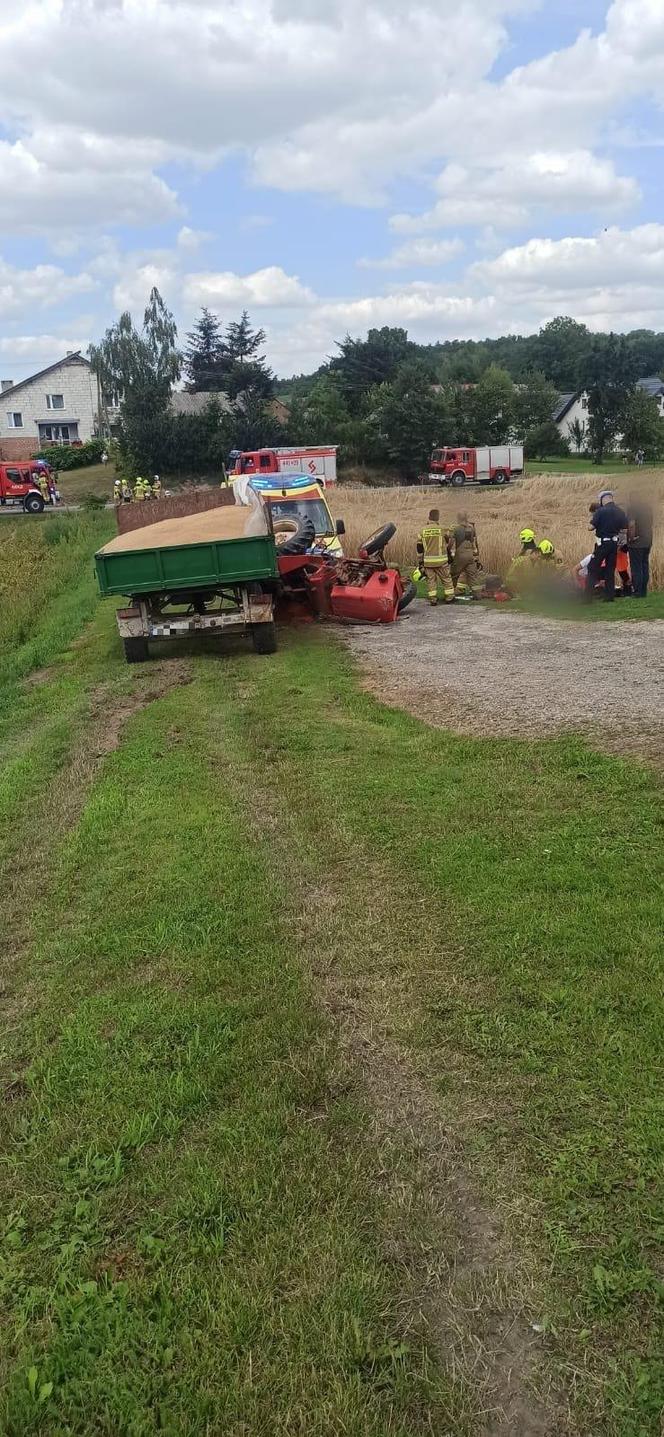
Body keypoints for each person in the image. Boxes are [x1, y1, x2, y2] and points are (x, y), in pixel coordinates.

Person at [585, 490, 628, 602]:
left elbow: (590, 527)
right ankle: (609, 597)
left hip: (603, 543)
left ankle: (587, 598)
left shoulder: (601, 511)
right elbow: (624, 527)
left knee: (592, 567)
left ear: (603, 499)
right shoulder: (620, 511)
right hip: (614, 544)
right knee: (610, 569)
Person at [416, 508, 454, 606]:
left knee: (431, 581)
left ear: (429, 517)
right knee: (446, 579)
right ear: (438, 517)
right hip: (441, 561)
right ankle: (449, 598)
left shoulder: (422, 531)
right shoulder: (443, 529)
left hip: (428, 561)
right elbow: (451, 537)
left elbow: (419, 548)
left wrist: (420, 562)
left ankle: (433, 599)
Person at [450, 511, 483, 599]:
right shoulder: (471, 528)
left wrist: (448, 550)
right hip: (470, 555)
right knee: (473, 576)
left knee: (454, 574)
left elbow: (451, 543)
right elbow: (474, 542)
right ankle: (477, 595)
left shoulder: (456, 529)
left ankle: (449, 594)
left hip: (460, 554)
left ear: (458, 519)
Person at [627, 489, 653, 598]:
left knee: (636, 567)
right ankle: (643, 591)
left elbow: (631, 524)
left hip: (637, 542)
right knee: (644, 565)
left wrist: (631, 538)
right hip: (648, 540)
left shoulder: (632, 508)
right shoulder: (648, 507)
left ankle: (637, 592)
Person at [505, 528, 538, 593]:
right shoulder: (531, 552)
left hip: (516, 582)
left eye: (522, 539)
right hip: (517, 582)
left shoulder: (528, 552)